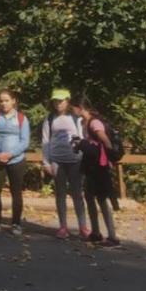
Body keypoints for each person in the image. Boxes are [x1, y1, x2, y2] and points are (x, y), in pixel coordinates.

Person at [71, 95, 120, 247]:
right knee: (89, 197)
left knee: (102, 199)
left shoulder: (94, 123)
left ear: (80, 108)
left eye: (74, 108)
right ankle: (96, 232)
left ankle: (112, 236)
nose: (73, 111)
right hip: (90, 166)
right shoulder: (84, 122)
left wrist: (110, 158)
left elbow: (105, 140)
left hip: (100, 167)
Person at [41, 88, 90, 240]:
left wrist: (83, 156)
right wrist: (46, 163)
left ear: (67, 101)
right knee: (60, 194)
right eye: (55, 101)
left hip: (75, 160)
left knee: (77, 194)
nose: (58, 104)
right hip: (57, 160)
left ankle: (83, 226)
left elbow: (82, 137)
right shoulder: (49, 119)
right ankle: (63, 227)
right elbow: (46, 142)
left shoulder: (76, 118)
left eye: (61, 101)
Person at [0, 89, 30, 235]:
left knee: (16, 192)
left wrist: (10, 154)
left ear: (13, 101)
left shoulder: (22, 118)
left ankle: (16, 223)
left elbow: (25, 142)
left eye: (6, 100)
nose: (3, 103)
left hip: (16, 160)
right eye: (1, 101)